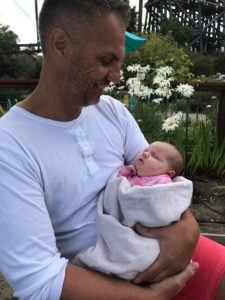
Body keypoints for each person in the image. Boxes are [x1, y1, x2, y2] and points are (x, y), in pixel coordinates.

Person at [0, 1, 224, 299]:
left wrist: (190, 229)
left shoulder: (112, 112)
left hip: (153, 252)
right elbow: (40, 280)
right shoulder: (10, 145)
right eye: (106, 60)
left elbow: (161, 183)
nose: (117, 75)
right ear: (60, 45)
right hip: (92, 281)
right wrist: (150, 297)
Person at [75, 141, 193, 280]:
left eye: (155, 157)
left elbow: (164, 202)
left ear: (169, 173)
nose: (146, 154)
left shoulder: (163, 182)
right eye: (147, 150)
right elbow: (118, 183)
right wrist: (126, 172)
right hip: (123, 226)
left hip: (149, 228)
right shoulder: (133, 174)